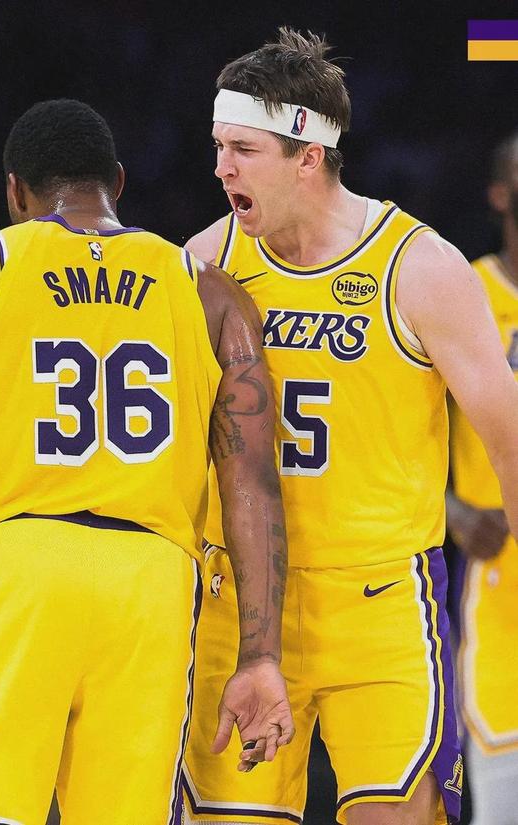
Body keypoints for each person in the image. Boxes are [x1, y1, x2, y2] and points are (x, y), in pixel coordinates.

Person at [0, 99, 294, 825]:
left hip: (20, 566)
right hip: (154, 584)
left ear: (14, 192)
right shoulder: (212, 291)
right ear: (117, 182)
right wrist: (259, 656)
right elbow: (252, 483)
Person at [181, 29, 518, 825]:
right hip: (242, 604)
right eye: (218, 147)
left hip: (380, 603)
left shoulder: (419, 266)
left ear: (308, 156)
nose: (222, 168)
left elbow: (508, 440)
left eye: (242, 149)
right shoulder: (204, 261)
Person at [448, 131, 518, 824]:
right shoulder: (462, 292)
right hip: (501, 592)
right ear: (500, 193)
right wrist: (455, 513)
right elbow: (397, 433)